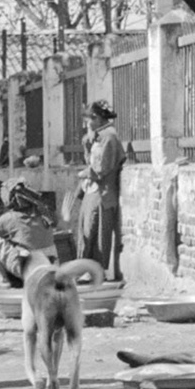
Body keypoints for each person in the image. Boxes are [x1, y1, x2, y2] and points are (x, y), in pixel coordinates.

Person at [0, 181, 59, 287]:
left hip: (28, 268)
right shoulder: (44, 214)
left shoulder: (10, 217)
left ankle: (3, 280)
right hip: (50, 266)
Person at [80, 100, 126, 280]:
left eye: (89, 120)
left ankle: (98, 272)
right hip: (92, 191)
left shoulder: (109, 137)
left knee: (97, 232)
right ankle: (89, 269)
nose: (87, 124)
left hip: (103, 193)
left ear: (97, 118)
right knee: (87, 231)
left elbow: (101, 168)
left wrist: (84, 173)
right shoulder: (98, 137)